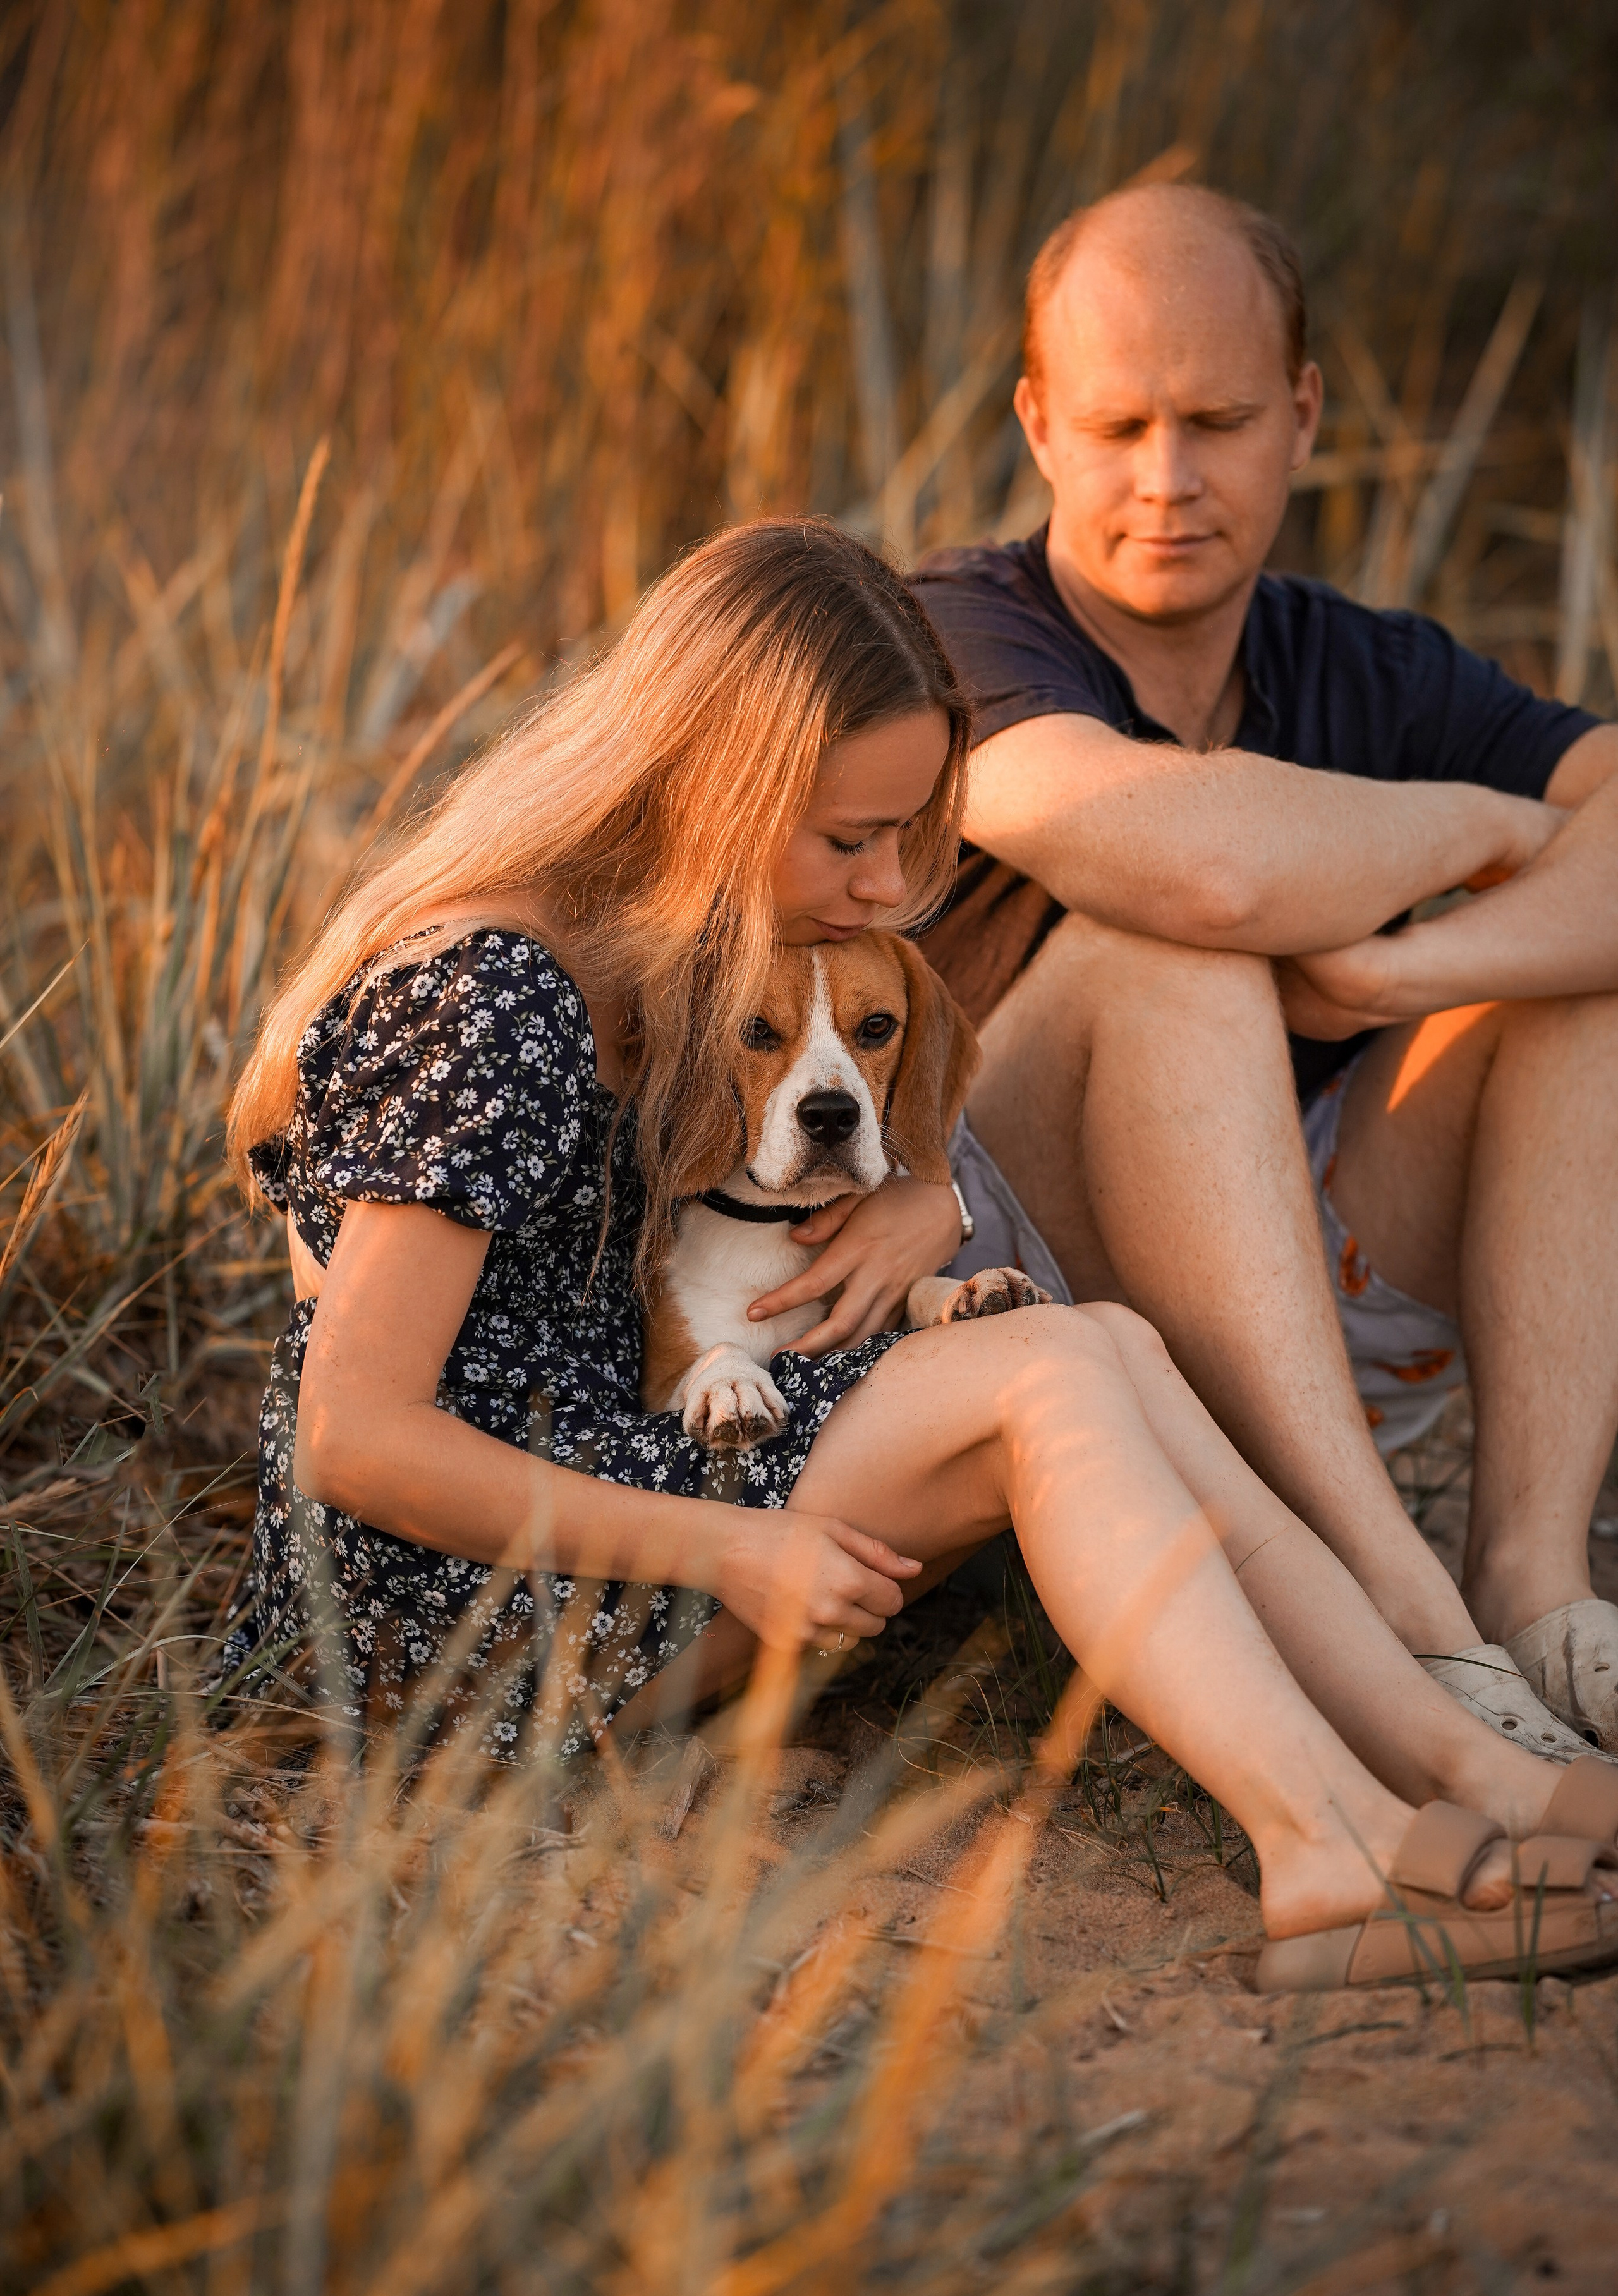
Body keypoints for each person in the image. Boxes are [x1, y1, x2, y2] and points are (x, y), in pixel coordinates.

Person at [225, 516, 1618, 1987]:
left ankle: (1476, 1772)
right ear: (711, 787)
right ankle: (1326, 1849)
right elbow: (352, 1438)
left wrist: (927, 1190)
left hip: (626, 1507)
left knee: (1105, 1344)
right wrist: (731, 1546)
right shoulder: (491, 992)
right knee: (1040, 1377)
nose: (888, 888)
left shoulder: (680, 955)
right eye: (850, 841)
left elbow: (833, 1115)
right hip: (438, 1636)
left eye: (906, 837)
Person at [909, 181, 1618, 1756]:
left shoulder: (1365, 662)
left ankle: (1532, 1581)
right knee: (1173, 953)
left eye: (1217, 422)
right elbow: (1207, 872)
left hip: (1317, 1289)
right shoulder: (947, 636)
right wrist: (1481, 823)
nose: (1165, 481)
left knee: (1572, 977)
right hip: (1033, 1306)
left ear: (1299, 416)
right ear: (1037, 425)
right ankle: (1401, 1622)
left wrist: (1398, 979)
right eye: (1118, 426)